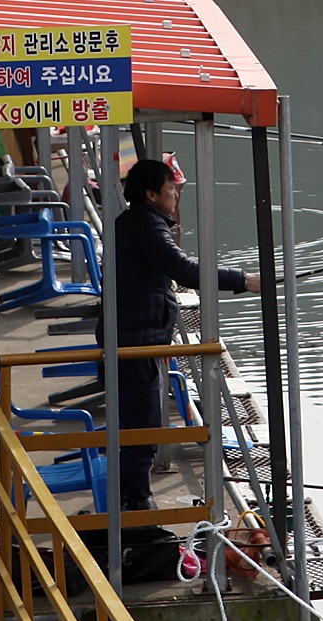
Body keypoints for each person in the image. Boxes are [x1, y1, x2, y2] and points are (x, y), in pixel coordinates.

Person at [109, 155, 271, 514]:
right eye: (170, 189)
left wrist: (160, 338)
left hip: (138, 337)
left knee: (142, 421)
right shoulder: (149, 228)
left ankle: (132, 497)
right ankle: (136, 504)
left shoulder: (131, 222)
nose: (175, 196)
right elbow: (184, 271)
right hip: (135, 342)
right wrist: (244, 280)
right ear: (152, 194)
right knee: (144, 425)